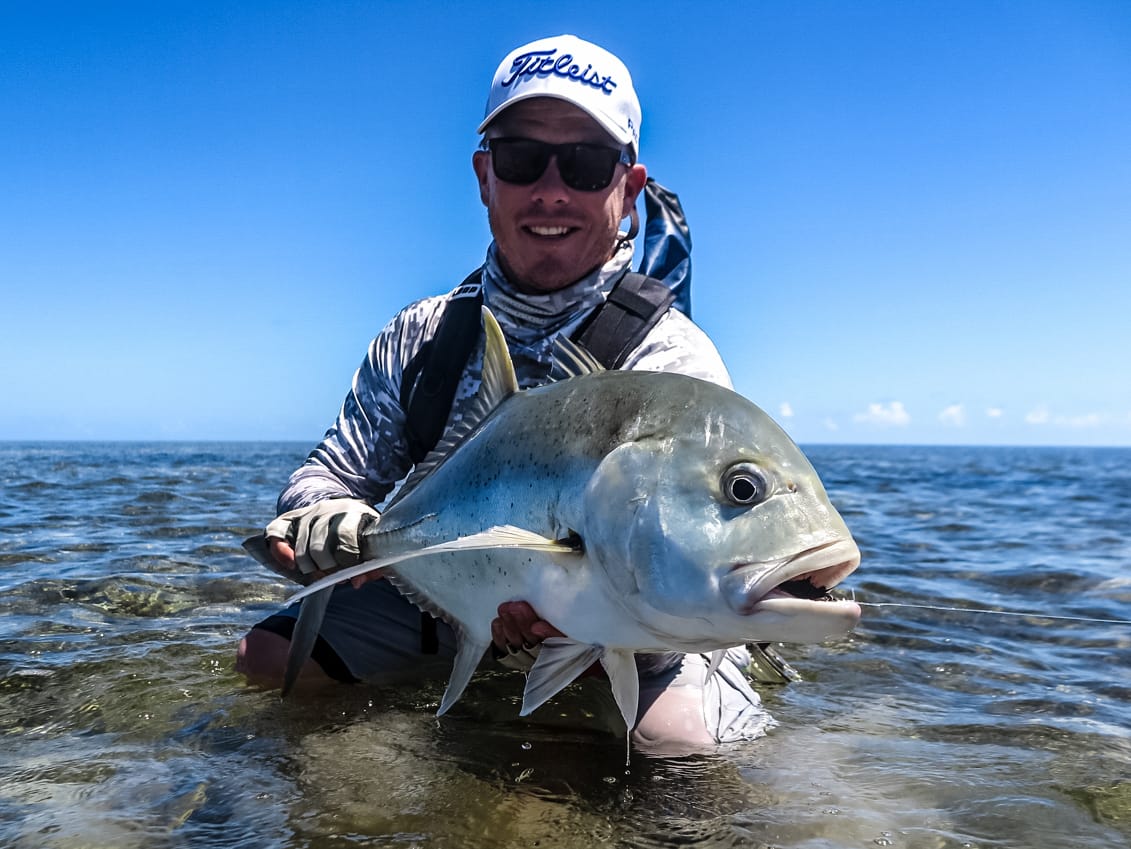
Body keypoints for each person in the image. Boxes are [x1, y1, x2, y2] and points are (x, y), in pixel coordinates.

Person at [236, 34, 773, 752]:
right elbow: (330, 470)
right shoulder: (420, 334)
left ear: (629, 189)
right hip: (451, 585)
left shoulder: (669, 356)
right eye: (522, 160)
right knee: (266, 662)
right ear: (485, 176)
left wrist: (580, 617)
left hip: (625, 615)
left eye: (584, 165)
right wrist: (318, 513)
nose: (551, 190)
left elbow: (690, 561)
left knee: (680, 746)